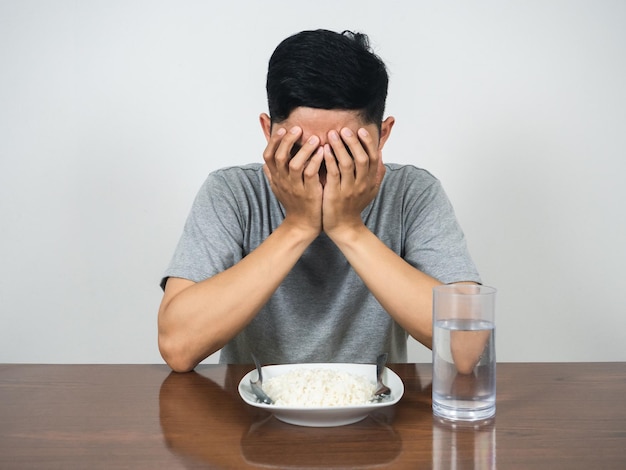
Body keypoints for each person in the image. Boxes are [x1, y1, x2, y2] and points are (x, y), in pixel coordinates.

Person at [158, 29, 481, 372]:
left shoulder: (413, 193)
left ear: (382, 135)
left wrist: (348, 228)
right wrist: (298, 226)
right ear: (268, 131)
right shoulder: (233, 192)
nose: (321, 169)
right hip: (252, 413)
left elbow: (467, 346)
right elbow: (178, 346)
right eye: (302, 150)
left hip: (378, 412)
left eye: (346, 150)